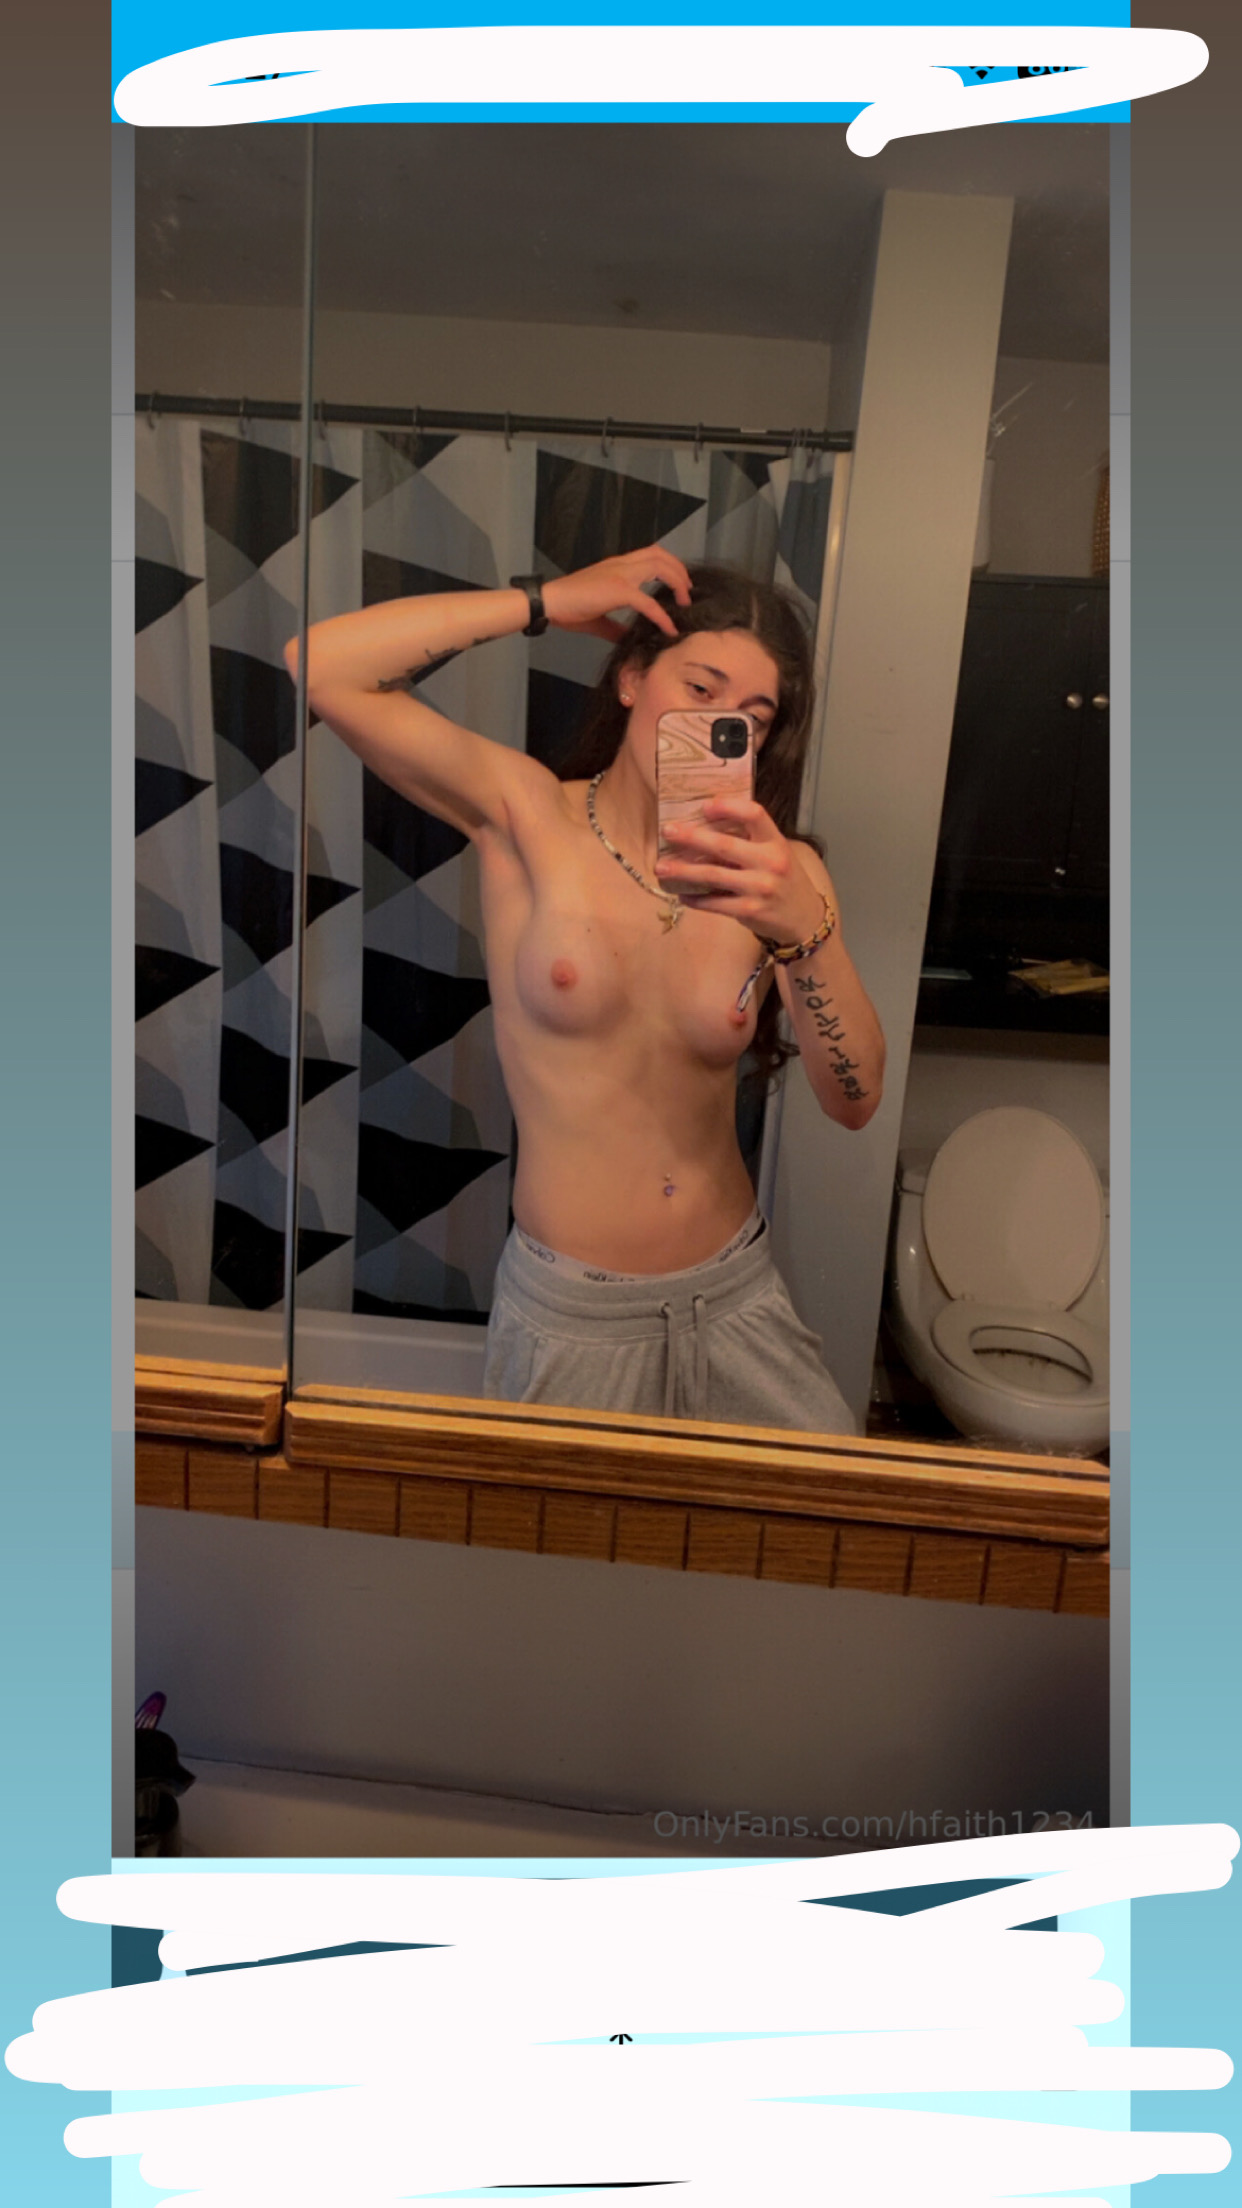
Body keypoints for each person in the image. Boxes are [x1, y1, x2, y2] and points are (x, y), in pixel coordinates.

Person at [289, 544, 885, 1433]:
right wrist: (545, 602)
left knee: (827, 1518)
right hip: (575, 1321)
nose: (719, 725)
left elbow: (855, 1102)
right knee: (553, 1533)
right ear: (632, 679)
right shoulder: (528, 815)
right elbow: (321, 665)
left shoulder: (781, 876)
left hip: (736, 1296)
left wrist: (807, 932)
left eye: (751, 718)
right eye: (699, 688)